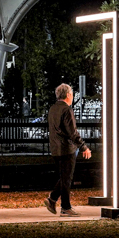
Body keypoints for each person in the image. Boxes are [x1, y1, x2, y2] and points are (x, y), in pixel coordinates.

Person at [43, 83, 90, 217]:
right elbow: (72, 132)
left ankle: (53, 199)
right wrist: (83, 146)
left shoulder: (52, 109)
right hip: (66, 149)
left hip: (55, 148)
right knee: (67, 178)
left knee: (64, 177)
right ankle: (65, 207)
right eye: (72, 95)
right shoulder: (66, 110)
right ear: (68, 95)